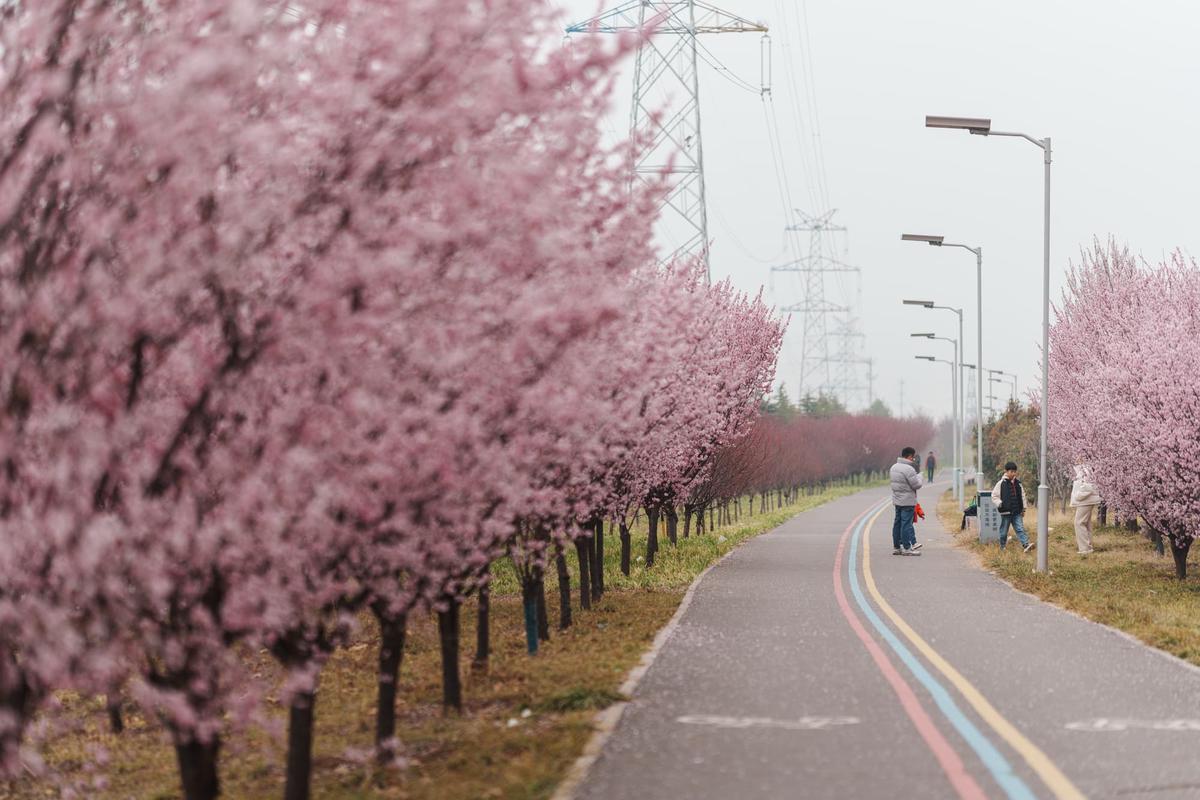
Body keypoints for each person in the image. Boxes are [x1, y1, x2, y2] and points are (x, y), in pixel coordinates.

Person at [991, 462, 1032, 552]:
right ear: (1006, 471)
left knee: (1020, 528)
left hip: (1017, 512)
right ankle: (1002, 547)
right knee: (1004, 531)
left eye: (1015, 472)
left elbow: (1023, 496)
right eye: (1011, 471)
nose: (1013, 473)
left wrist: (1023, 509)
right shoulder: (1001, 483)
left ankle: (1026, 545)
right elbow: (994, 496)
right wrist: (1000, 504)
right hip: (1006, 512)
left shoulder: (1018, 483)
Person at [890, 446, 924, 556]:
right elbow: (917, 485)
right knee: (906, 524)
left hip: (897, 500)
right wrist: (920, 476)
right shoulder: (909, 469)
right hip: (908, 501)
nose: (913, 459)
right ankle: (907, 548)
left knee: (897, 523)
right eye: (913, 457)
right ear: (909, 456)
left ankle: (897, 547)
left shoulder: (894, 467)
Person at [1070, 465, 1102, 554]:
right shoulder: (1083, 469)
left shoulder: (1085, 469)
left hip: (1085, 501)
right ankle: (1088, 547)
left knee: (1079, 522)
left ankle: (1084, 548)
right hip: (1086, 500)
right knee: (1086, 523)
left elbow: (1088, 487)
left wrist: (1077, 496)